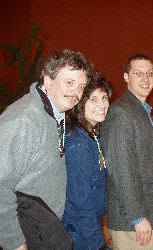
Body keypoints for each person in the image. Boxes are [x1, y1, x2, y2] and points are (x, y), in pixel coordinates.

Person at [0, 49, 94, 250]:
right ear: (48, 80)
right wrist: (15, 244)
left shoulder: (54, 114)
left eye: (81, 86)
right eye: (69, 83)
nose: (76, 93)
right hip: (24, 236)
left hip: (43, 231)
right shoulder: (24, 119)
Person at [100, 54, 153, 250]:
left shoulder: (142, 111)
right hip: (133, 221)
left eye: (149, 73)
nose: (145, 79)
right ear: (126, 77)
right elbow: (121, 170)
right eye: (138, 73)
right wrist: (137, 217)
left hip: (149, 213)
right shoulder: (121, 112)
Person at [62, 72, 112, 250]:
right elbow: (80, 204)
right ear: (80, 103)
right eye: (93, 99)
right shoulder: (77, 143)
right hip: (79, 233)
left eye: (104, 97)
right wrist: (98, 245)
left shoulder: (91, 134)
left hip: (88, 227)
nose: (102, 105)